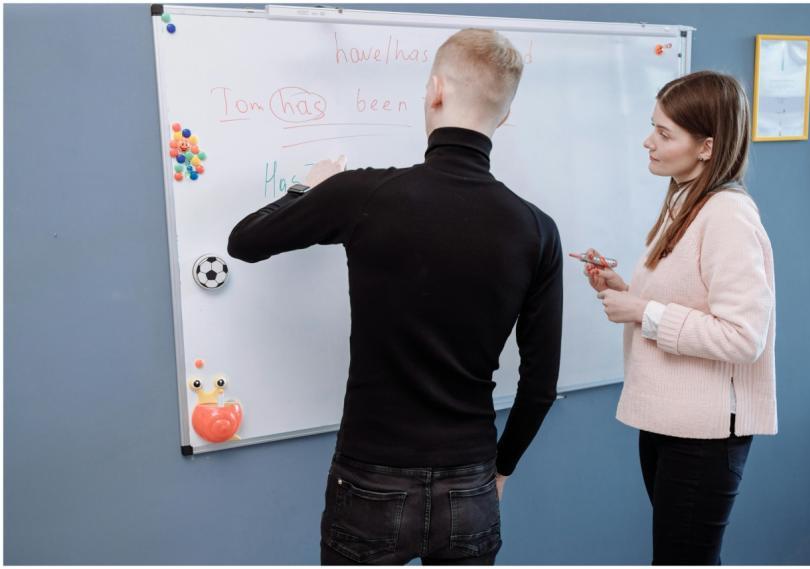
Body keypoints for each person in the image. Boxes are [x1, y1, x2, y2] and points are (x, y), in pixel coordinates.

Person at [228, 28, 563, 565]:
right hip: (470, 482)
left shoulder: (362, 194)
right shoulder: (536, 229)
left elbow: (243, 242)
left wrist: (307, 189)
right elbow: (540, 385)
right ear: (504, 116)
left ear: (434, 90)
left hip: (370, 479)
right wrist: (500, 470)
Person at [581, 70, 776, 565]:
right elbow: (690, 302)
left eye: (664, 133)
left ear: (707, 146)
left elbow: (743, 338)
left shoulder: (727, 215)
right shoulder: (685, 201)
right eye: (653, 126)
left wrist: (643, 311)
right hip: (670, 423)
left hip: (704, 437)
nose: (648, 141)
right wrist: (625, 291)